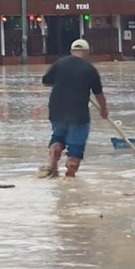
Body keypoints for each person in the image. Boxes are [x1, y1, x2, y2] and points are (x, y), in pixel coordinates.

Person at [39, 39, 107, 178]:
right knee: (76, 147)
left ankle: (52, 167)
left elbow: (46, 81)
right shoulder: (89, 69)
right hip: (78, 113)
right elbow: (98, 93)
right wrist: (103, 109)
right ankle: (69, 181)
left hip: (57, 110)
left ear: (71, 52)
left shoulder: (59, 63)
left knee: (58, 137)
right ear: (87, 52)